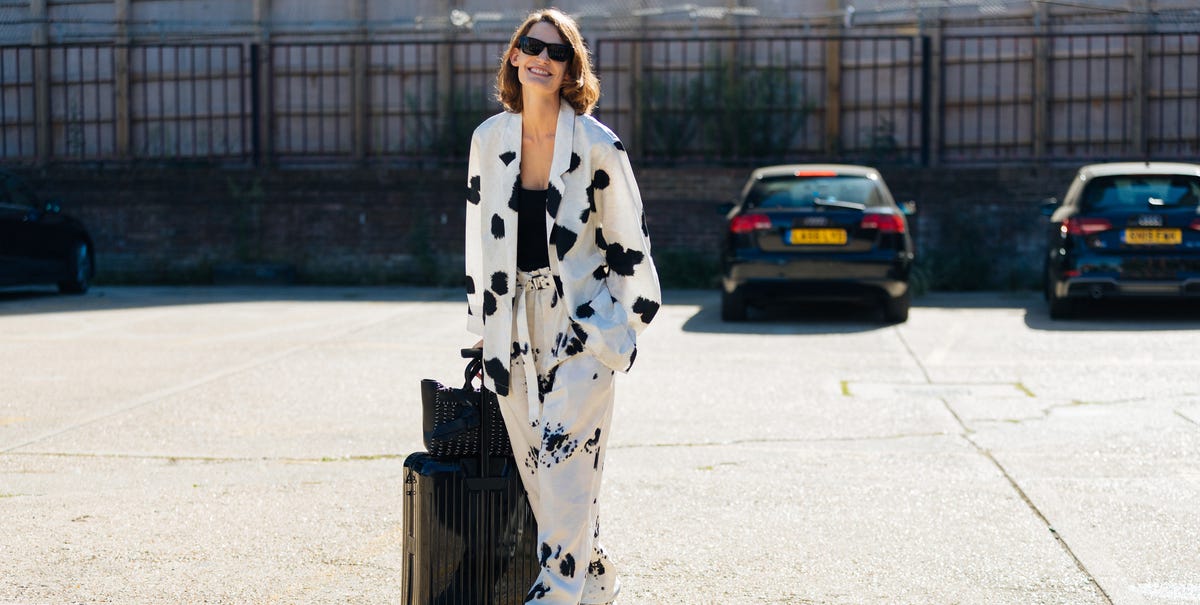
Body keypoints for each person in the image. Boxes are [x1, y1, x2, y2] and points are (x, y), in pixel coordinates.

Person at [463, 8, 661, 605]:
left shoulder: (598, 145)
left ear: (572, 68)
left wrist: (620, 329)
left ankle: (555, 593)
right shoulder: (488, 140)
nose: (542, 59)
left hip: (581, 322)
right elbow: (478, 239)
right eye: (533, 46)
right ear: (515, 55)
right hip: (511, 321)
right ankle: (593, 579)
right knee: (538, 471)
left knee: (563, 463)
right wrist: (481, 329)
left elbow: (631, 240)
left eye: (557, 52)